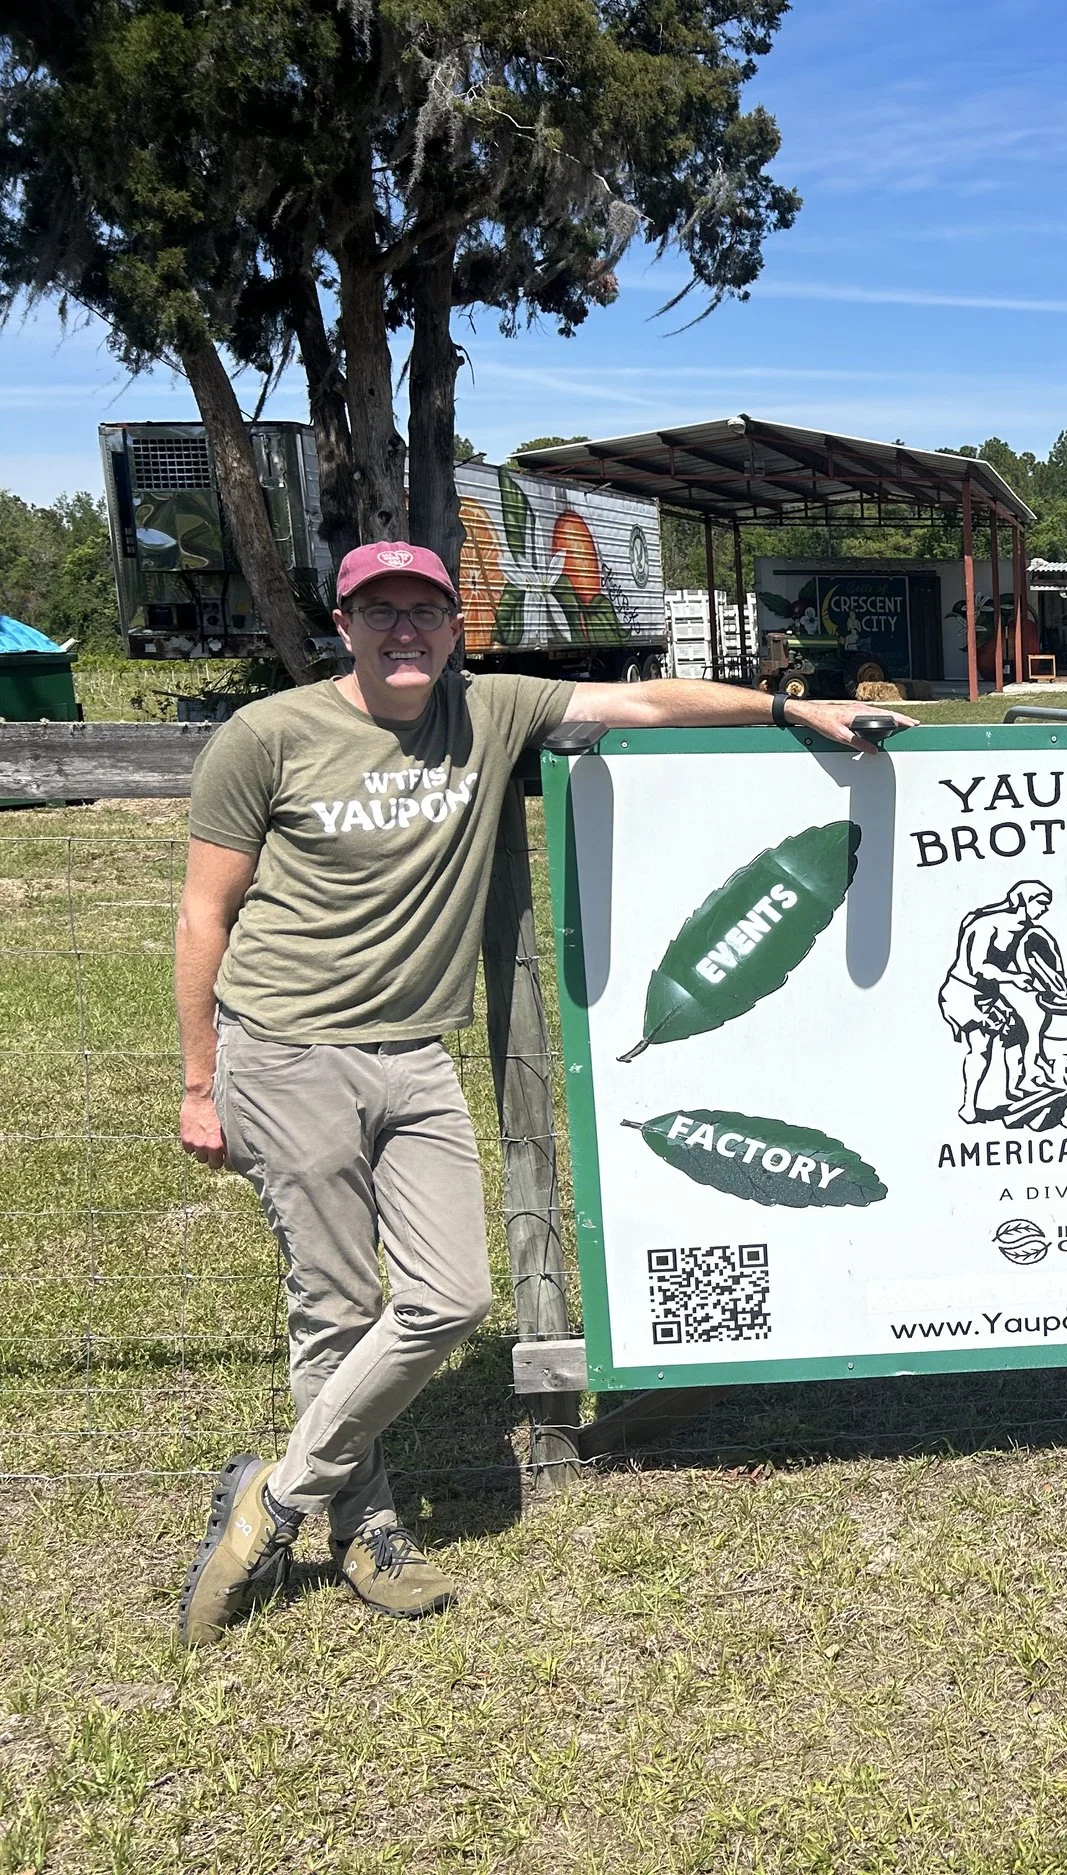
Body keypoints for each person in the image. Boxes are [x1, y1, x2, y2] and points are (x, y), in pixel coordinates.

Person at [173, 541, 912, 1646]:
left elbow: (649, 700)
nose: (405, 632)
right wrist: (199, 1081)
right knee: (332, 1305)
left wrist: (791, 713)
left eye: (425, 611)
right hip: (287, 1048)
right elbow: (202, 916)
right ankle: (364, 1522)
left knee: (448, 1298)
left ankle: (275, 1496)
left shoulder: (494, 707)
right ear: (343, 626)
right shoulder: (268, 736)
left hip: (417, 1051)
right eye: (382, 613)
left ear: (453, 625)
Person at [942, 881, 1058, 1120]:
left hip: (990, 995)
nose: (1045, 909)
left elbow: (1023, 961)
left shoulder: (1022, 929)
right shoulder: (986, 925)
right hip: (963, 993)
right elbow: (979, 967)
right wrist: (1014, 979)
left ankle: (1015, 1089)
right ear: (1023, 901)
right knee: (981, 1047)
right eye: (1041, 903)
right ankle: (968, 1106)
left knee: (1017, 1035)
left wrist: (1040, 980)